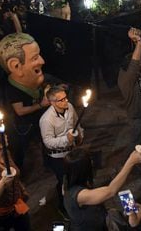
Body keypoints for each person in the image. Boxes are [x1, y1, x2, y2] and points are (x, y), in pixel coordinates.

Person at [0, 33, 50, 171]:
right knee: (21, 147)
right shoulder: (13, 90)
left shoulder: (31, 82)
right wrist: (40, 105)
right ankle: (17, 169)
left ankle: (48, 161)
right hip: (24, 126)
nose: (42, 61)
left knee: (46, 139)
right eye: (35, 58)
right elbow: (19, 111)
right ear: (15, 66)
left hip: (37, 119)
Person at [63, 147, 141, 231]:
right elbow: (111, 191)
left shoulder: (69, 180)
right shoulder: (79, 195)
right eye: (90, 162)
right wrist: (131, 162)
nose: (93, 162)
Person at [39, 84, 83, 217]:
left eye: (66, 98)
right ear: (52, 102)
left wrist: (80, 135)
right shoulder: (46, 120)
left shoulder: (70, 107)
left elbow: (77, 124)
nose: (66, 101)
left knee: (76, 177)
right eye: (61, 100)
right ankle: (63, 206)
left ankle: (77, 200)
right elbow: (48, 142)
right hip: (58, 157)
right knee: (64, 181)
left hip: (72, 151)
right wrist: (66, 139)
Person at [117, 28, 141, 146]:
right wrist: (139, 41)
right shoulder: (126, 78)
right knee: (135, 145)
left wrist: (137, 43)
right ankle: (133, 162)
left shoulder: (136, 74)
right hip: (136, 119)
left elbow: (140, 57)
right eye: (139, 62)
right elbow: (135, 62)